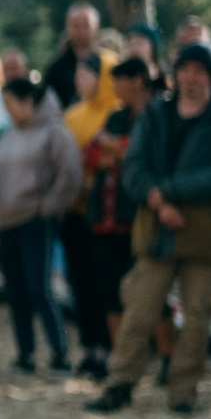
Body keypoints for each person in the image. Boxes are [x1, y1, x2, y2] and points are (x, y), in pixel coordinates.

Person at [88, 42, 211, 416]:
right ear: (175, 74)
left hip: (205, 232)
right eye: (185, 69)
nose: (191, 78)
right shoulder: (156, 113)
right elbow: (134, 166)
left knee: (196, 317)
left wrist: (169, 192)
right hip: (157, 228)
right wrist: (157, 200)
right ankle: (119, 385)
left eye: (200, 70)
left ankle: (182, 392)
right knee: (138, 312)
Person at [0, 73, 82, 373]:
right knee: (15, 291)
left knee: (40, 289)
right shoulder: (6, 137)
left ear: (28, 101)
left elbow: (70, 174)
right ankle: (25, 354)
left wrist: (50, 207)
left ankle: (60, 351)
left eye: (11, 103)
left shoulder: (55, 132)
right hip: (7, 224)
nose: (8, 110)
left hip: (35, 222)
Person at [85, 58, 159, 370]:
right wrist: (118, 151)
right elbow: (91, 155)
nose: (115, 88)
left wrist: (114, 149)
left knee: (150, 291)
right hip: (106, 215)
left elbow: (145, 155)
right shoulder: (115, 116)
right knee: (111, 292)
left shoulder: (157, 116)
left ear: (139, 80)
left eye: (121, 80)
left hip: (140, 215)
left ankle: (163, 357)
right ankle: (120, 358)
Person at [59, 54, 120, 374]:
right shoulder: (71, 115)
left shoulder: (116, 115)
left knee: (103, 283)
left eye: (87, 75)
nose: (79, 81)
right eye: (78, 75)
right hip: (73, 211)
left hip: (103, 213)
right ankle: (89, 348)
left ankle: (108, 350)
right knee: (79, 282)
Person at [45, 2, 103, 108]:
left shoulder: (107, 63)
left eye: (86, 25)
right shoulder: (56, 71)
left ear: (97, 26)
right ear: (67, 28)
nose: (80, 30)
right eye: (75, 25)